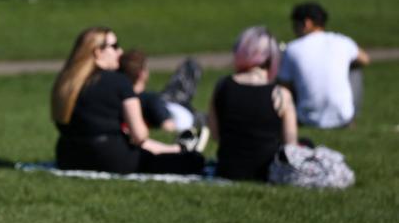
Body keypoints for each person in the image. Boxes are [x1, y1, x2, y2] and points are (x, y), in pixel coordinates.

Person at [51, 27, 205, 175]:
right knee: (194, 161)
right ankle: (181, 150)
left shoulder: (67, 82)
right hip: (110, 158)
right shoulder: (119, 81)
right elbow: (139, 136)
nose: (120, 52)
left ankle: (176, 149)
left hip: (68, 156)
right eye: (115, 46)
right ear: (98, 52)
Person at [209, 26, 298, 181]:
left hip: (228, 170)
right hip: (267, 172)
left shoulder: (222, 86)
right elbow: (291, 145)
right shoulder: (281, 95)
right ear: (272, 58)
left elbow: (215, 135)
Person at [278, 2, 370, 129]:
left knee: (287, 75)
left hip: (305, 118)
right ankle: (351, 118)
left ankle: (292, 118)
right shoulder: (342, 41)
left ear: (306, 23)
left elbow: (284, 86)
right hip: (343, 118)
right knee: (354, 68)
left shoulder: (292, 48)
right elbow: (365, 59)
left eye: (295, 25)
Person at [118, 50, 206, 146]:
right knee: (191, 66)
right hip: (178, 107)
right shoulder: (150, 100)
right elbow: (168, 126)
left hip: (170, 102)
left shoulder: (118, 98)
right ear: (142, 74)